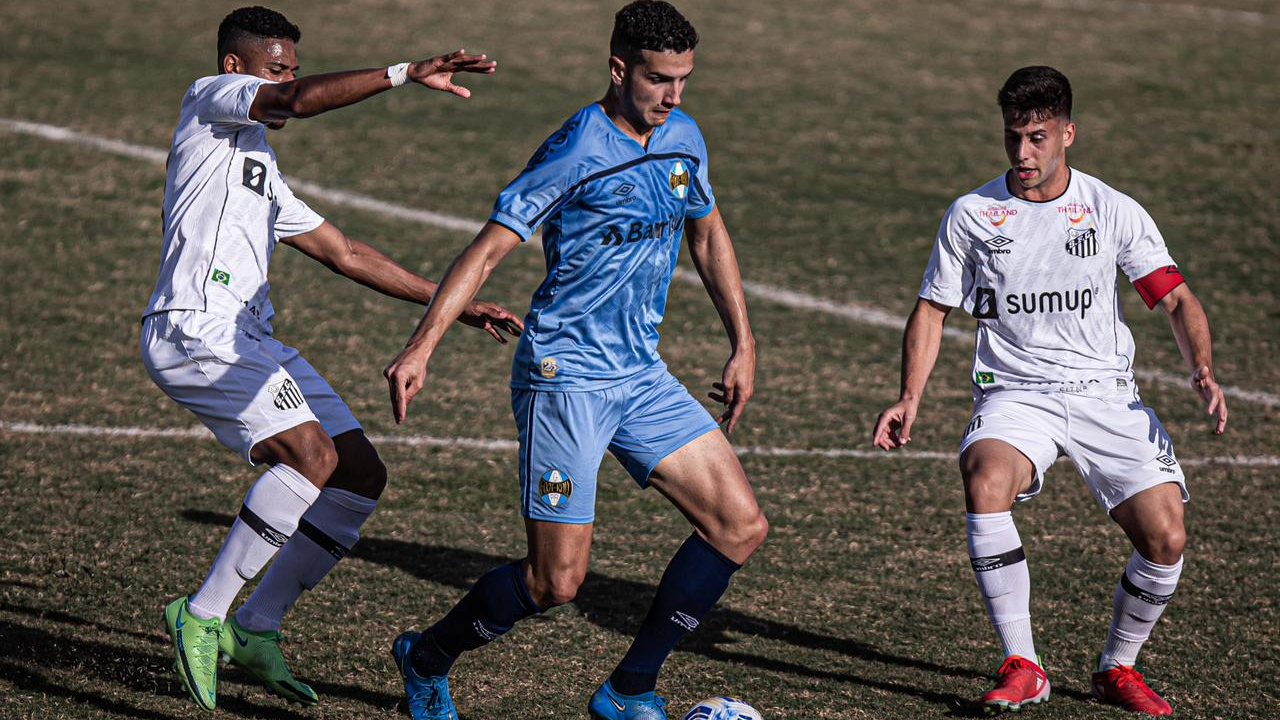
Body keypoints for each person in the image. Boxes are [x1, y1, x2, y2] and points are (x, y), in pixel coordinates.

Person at [382, 2, 768, 718]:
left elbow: (708, 237)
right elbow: (489, 247)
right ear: (619, 69)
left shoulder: (683, 135)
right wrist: (422, 346)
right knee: (556, 584)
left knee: (738, 525)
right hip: (566, 379)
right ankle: (426, 656)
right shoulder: (576, 147)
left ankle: (628, 691)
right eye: (657, 80)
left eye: (683, 79)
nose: (673, 96)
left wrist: (742, 342)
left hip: (641, 374)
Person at [140, 6, 522, 711]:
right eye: (276, 67)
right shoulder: (209, 99)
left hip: (249, 338)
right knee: (309, 456)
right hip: (196, 331)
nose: (288, 80)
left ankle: (256, 626)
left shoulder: (259, 168)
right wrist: (405, 73)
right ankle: (203, 612)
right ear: (236, 68)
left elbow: (345, 253)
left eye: (292, 67)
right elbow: (296, 101)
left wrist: (454, 304)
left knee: (357, 474)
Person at [872, 66, 1228, 715]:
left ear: (1068, 132)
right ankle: (1023, 664)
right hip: (1017, 392)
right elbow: (931, 309)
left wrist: (1201, 369)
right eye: (1013, 138)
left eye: (1037, 138)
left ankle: (1117, 668)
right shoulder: (974, 215)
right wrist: (909, 397)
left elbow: (1174, 299)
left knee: (1166, 538)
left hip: (1103, 394)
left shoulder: (1111, 210)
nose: (1023, 154)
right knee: (984, 479)